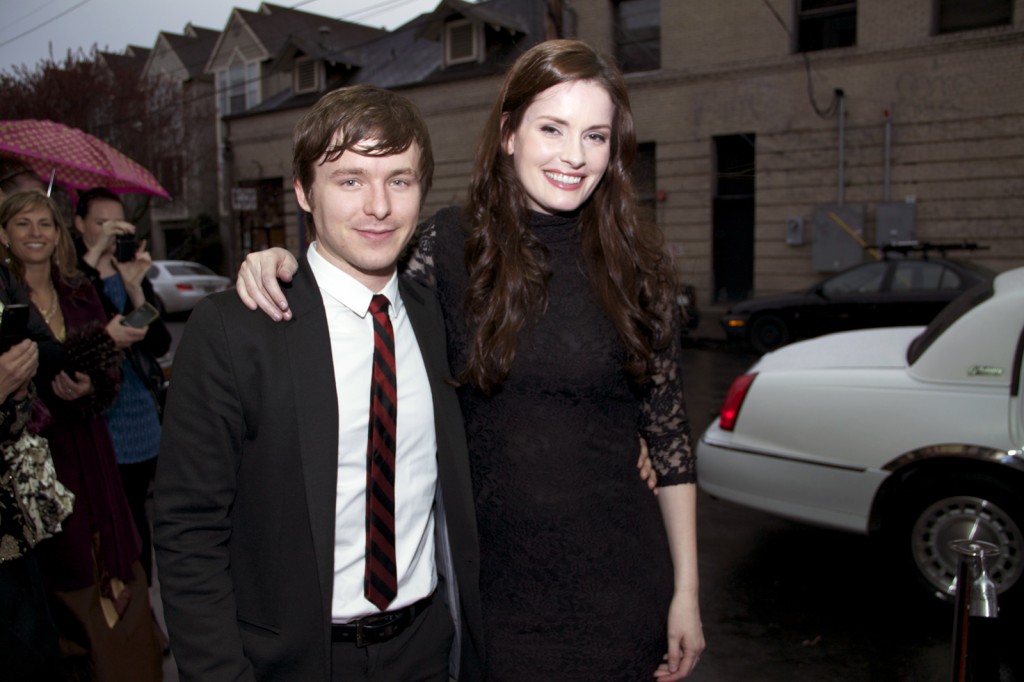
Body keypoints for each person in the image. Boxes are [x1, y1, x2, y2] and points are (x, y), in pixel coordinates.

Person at [237, 39, 705, 680]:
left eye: (595, 136)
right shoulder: (446, 246)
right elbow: (357, 279)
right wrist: (281, 263)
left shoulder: (639, 268)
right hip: (495, 598)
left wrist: (687, 595)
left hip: (624, 587)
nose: (575, 156)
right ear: (509, 132)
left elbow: (672, 442)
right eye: (552, 129)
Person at [153, 84, 484, 681]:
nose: (378, 206)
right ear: (305, 191)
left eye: (400, 180)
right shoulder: (237, 330)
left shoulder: (439, 317)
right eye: (350, 180)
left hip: (426, 652)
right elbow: (187, 527)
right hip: (292, 662)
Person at [0, 190, 164, 679]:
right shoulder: (8, 300)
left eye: (44, 224)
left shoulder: (76, 288)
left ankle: (129, 654)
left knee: (118, 553)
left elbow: (114, 366)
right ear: (5, 233)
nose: (35, 234)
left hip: (92, 443)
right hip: (40, 458)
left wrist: (93, 382)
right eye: (23, 224)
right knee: (61, 570)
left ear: (59, 233)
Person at [71, 187, 170, 587]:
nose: (111, 233)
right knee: (108, 519)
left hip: (140, 414)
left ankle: (144, 616)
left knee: (140, 519)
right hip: (99, 417)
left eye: (119, 224)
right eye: (101, 224)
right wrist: (92, 264)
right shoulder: (72, 277)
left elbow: (160, 343)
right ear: (79, 225)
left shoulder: (130, 272)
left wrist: (134, 288)